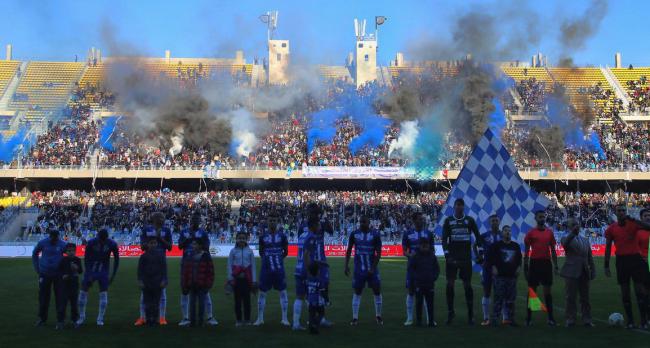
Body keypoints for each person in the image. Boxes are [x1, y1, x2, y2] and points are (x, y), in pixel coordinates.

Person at [604, 204, 650, 329]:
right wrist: (606, 265)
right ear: (616, 212)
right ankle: (630, 321)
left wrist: (634, 219)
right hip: (621, 261)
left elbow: (648, 226)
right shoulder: (611, 229)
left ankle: (644, 321)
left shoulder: (633, 224)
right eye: (619, 210)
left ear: (626, 212)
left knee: (640, 291)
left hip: (635, 259)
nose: (622, 212)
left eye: (624, 210)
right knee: (625, 293)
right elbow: (608, 248)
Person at [441, 198, 482, 325]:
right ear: (454, 207)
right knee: (449, 285)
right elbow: (444, 239)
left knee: (467, 286)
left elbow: (478, 237)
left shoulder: (469, 220)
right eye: (457, 205)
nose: (459, 207)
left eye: (461, 205)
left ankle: (470, 314)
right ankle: (450, 312)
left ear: (464, 207)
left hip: (465, 258)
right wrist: (447, 255)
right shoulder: (448, 221)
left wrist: (480, 253)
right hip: (452, 258)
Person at [178, 212, 218, 326]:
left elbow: (206, 247)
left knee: (205, 292)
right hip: (187, 263)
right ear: (191, 220)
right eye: (194, 219)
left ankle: (209, 316)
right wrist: (189, 239)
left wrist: (197, 241)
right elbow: (180, 246)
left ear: (199, 221)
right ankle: (185, 318)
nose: (195, 221)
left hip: (200, 262)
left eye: (197, 219)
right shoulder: (184, 232)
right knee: (185, 291)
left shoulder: (203, 233)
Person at [344, 215, 383, 325]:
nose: (362, 224)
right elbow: (348, 250)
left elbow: (378, 253)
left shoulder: (375, 235)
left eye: (364, 222)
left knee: (377, 290)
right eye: (361, 222)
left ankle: (378, 316)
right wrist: (346, 265)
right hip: (359, 269)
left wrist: (373, 268)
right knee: (357, 292)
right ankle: (355, 318)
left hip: (372, 269)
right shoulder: (354, 234)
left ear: (369, 222)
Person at [135, 212, 172, 326]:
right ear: (154, 219)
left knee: (162, 292)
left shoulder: (166, 230)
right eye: (160, 217)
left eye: (163, 217)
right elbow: (142, 247)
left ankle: (161, 318)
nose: (162, 219)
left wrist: (159, 238)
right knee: (144, 293)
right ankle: (143, 317)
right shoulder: (147, 229)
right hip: (148, 262)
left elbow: (170, 247)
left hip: (160, 262)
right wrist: (151, 242)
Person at [77, 228, 119, 326]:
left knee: (103, 293)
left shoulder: (112, 244)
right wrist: (89, 274)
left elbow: (117, 259)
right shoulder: (91, 243)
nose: (102, 241)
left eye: (103, 239)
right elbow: (86, 259)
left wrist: (113, 275)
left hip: (103, 271)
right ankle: (82, 317)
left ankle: (100, 319)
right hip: (92, 270)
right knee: (83, 292)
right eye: (101, 239)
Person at [523, 210, 558, 327]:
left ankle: (551, 318)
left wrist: (556, 265)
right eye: (540, 217)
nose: (542, 218)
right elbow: (527, 251)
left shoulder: (549, 233)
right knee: (532, 292)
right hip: (534, 263)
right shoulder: (531, 233)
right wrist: (525, 265)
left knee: (547, 292)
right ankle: (528, 319)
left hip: (546, 263)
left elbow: (553, 250)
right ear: (536, 218)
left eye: (543, 216)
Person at [254, 212, 290, 326]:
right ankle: (260, 319)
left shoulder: (282, 236)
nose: (272, 222)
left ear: (277, 222)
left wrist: (277, 258)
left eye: (274, 220)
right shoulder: (263, 236)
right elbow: (261, 252)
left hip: (279, 269)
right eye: (270, 220)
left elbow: (286, 252)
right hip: (266, 269)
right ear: (267, 222)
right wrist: (268, 259)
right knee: (262, 293)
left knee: (283, 292)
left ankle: (284, 319)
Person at [560, 218, 595, 327]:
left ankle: (587, 319)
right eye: (573, 224)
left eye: (577, 224)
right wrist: (572, 234)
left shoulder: (585, 240)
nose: (576, 226)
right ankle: (570, 319)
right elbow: (565, 244)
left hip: (584, 271)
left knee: (585, 297)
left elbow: (590, 256)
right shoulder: (565, 238)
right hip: (571, 271)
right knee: (570, 297)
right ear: (569, 227)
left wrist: (593, 269)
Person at [401, 211, 434, 326]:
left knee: (426, 293)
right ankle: (409, 318)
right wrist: (410, 255)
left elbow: (432, 251)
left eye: (422, 219)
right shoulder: (407, 233)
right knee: (410, 292)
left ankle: (429, 319)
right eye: (419, 219)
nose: (422, 221)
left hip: (425, 268)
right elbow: (404, 250)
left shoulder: (428, 234)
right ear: (414, 220)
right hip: (413, 268)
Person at [487, 225, 522, 327]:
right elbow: (490, 259)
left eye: (509, 231)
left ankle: (511, 319)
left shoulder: (515, 246)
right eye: (505, 231)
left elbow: (519, 259)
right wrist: (493, 267)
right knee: (498, 298)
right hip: (500, 277)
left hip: (512, 277)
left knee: (511, 299)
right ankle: (495, 319)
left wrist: (519, 268)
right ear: (502, 233)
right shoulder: (496, 245)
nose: (507, 232)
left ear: (511, 233)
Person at [32, 229, 67, 327]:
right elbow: (35, 254)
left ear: (58, 236)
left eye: (56, 238)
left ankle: (60, 320)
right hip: (44, 274)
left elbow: (70, 255)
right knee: (43, 297)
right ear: (50, 236)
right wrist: (37, 268)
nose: (55, 240)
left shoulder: (63, 244)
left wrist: (66, 269)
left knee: (60, 297)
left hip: (58, 275)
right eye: (53, 238)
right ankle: (42, 319)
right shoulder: (42, 243)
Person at [292, 216, 319, 331]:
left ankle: (296, 323)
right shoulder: (311, 236)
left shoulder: (302, 235)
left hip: (298, 268)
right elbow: (307, 254)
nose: (319, 227)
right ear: (313, 225)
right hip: (305, 270)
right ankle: (311, 321)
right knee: (310, 297)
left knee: (299, 297)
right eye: (317, 224)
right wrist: (310, 271)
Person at [181, 239, 214, 327]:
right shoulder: (190, 255)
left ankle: (200, 321)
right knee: (192, 304)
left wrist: (208, 284)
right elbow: (186, 270)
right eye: (193, 244)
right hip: (192, 283)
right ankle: (192, 322)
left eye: (195, 244)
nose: (193, 246)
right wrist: (185, 283)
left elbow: (210, 271)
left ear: (200, 245)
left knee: (201, 304)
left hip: (202, 284)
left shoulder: (206, 256)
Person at [227, 232, 257, 326]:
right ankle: (239, 320)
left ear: (246, 240)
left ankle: (247, 320)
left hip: (247, 280)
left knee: (247, 301)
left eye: (243, 238)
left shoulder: (250, 251)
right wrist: (230, 278)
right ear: (236, 239)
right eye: (239, 238)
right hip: (237, 280)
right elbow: (229, 265)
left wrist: (254, 280)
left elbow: (253, 266)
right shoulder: (233, 251)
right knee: (237, 301)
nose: (241, 240)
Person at [409, 237, 440, 327]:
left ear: (429, 245)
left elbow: (437, 269)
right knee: (419, 303)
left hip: (430, 283)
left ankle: (431, 321)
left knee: (430, 304)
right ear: (419, 246)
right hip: (419, 284)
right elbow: (411, 268)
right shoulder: (415, 256)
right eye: (423, 245)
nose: (425, 247)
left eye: (426, 245)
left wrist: (434, 277)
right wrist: (416, 278)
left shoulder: (432, 256)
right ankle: (419, 322)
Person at [137, 239, 168, 326]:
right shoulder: (143, 256)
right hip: (147, 282)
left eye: (154, 243)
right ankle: (147, 319)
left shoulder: (161, 256)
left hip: (157, 282)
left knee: (156, 302)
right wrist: (140, 280)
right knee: (147, 302)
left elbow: (164, 269)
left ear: (157, 244)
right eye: (151, 243)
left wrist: (164, 280)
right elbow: (140, 270)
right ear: (148, 244)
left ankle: (155, 320)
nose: (153, 245)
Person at [480, 214, 502, 326]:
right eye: (492, 220)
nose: (494, 222)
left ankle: (504, 317)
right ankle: (486, 318)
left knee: (501, 292)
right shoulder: (484, 236)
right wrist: (479, 258)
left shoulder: (503, 235)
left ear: (499, 222)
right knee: (487, 291)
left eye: (496, 220)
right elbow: (475, 245)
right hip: (487, 267)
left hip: (500, 268)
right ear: (490, 222)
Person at [58, 242, 82, 329]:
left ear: (75, 251)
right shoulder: (63, 260)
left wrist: (77, 268)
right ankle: (61, 321)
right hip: (64, 285)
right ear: (66, 251)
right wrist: (63, 275)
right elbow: (59, 271)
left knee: (74, 304)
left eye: (73, 251)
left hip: (74, 285)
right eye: (69, 251)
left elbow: (80, 271)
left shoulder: (77, 260)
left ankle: (74, 320)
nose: (71, 252)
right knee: (63, 304)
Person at [306, 262, 325, 335]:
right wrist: (326, 300)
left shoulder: (309, 279)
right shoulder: (319, 280)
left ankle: (311, 327)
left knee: (311, 314)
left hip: (310, 300)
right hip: (318, 301)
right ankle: (315, 325)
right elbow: (322, 291)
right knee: (321, 313)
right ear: (317, 271)